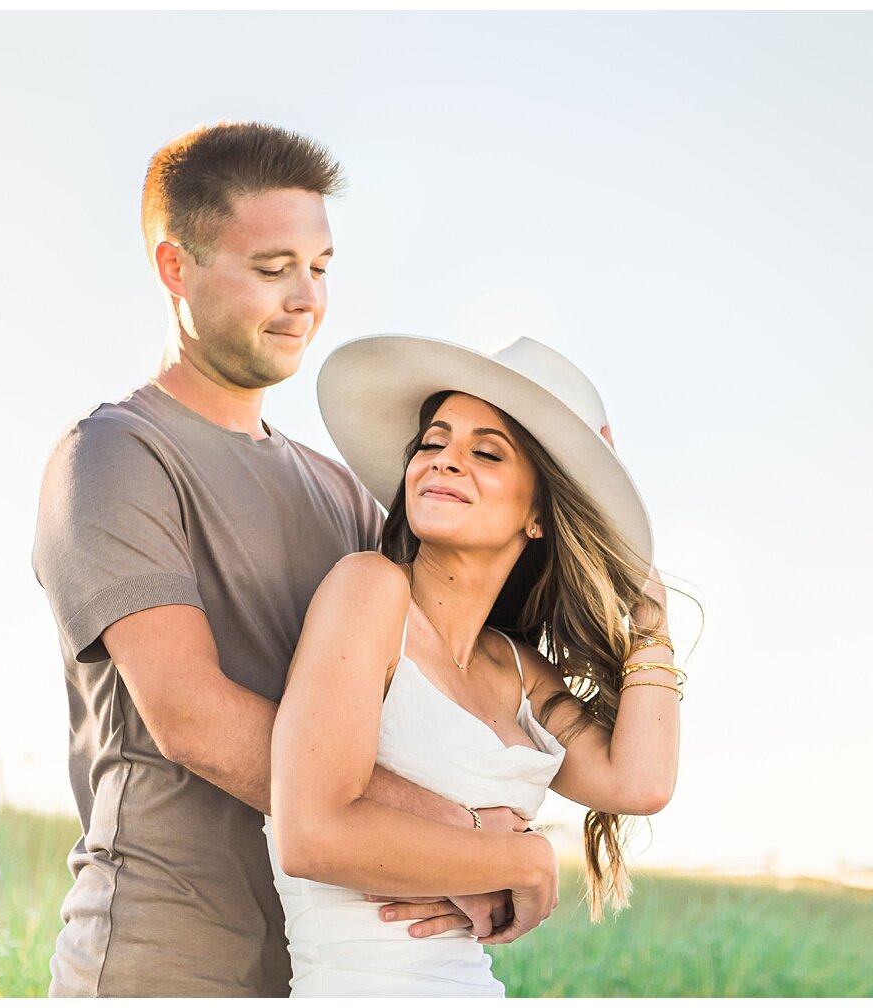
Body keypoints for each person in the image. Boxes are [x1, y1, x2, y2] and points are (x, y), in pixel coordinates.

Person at [31, 122, 557, 998]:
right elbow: (192, 716)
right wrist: (462, 839)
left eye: (320, 268)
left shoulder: (344, 494)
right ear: (176, 269)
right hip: (165, 960)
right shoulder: (118, 455)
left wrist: (569, 469)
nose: (306, 297)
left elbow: (463, 669)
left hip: (330, 969)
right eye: (273, 269)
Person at [265, 334, 683, 996]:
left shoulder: (518, 670)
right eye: (432, 443)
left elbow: (640, 782)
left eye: (486, 453)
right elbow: (311, 833)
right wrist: (522, 855)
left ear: (541, 512)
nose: (446, 461)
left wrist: (649, 613)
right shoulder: (370, 590)